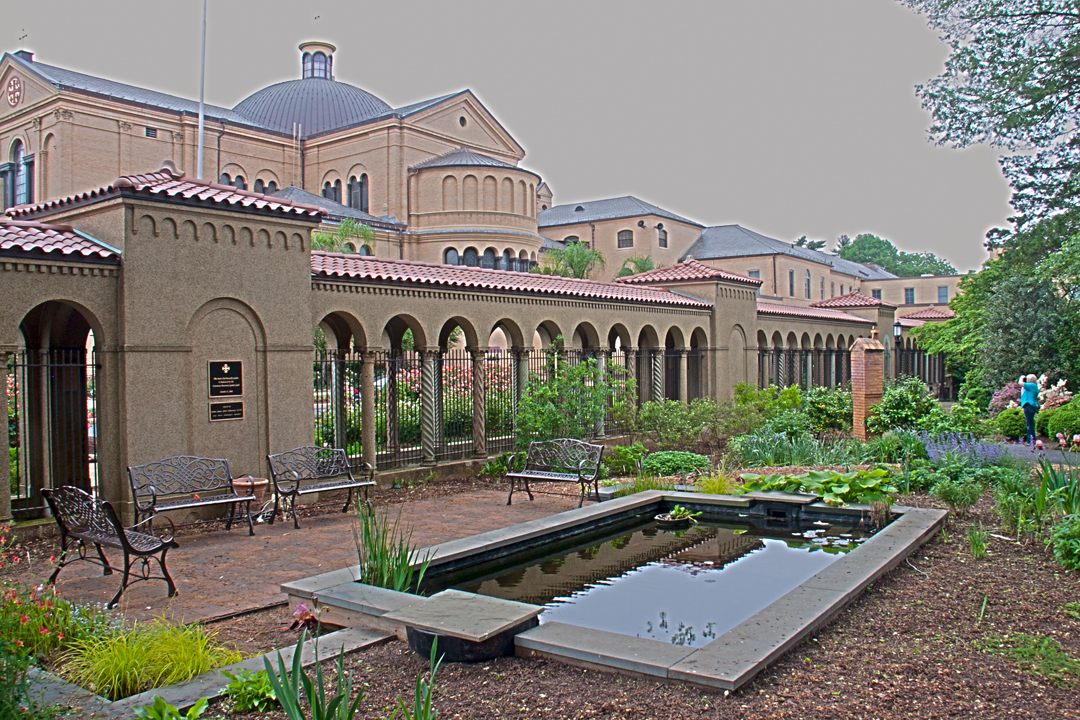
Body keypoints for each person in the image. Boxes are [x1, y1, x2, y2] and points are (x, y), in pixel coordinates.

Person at [1019, 374, 1040, 445]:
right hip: (1029, 406)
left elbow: (1020, 383)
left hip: (1029, 406)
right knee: (1029, 423)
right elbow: (1022, 392)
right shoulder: (1031, 387)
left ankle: (1030, 441)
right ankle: (1030, 439)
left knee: (1029, 424)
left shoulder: (1032, 386)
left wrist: (1021, 377)